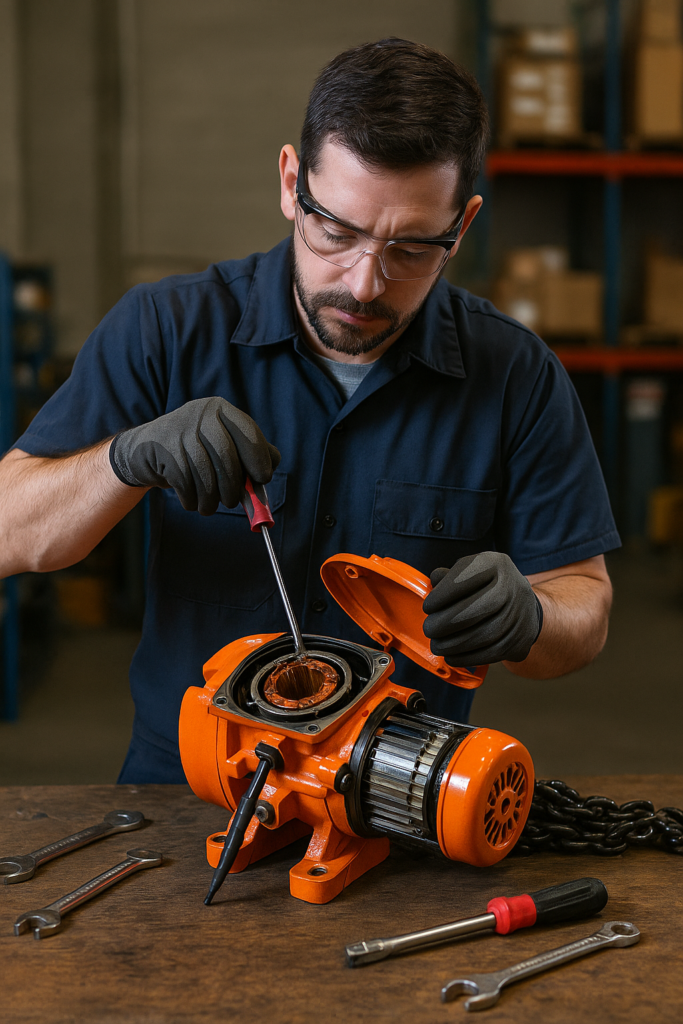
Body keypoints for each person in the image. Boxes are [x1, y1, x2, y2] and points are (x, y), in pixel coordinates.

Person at [0, 39, 619, 783]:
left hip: (394, 805)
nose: (364, 283)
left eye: (413, 249)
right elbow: (9, 533)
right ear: (292, 183)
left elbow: (583, 605)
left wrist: (530, 618)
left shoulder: (515, 374)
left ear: (463, 224)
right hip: (188, 791)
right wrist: (123, 459)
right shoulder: (165, 330)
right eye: (338, 232)